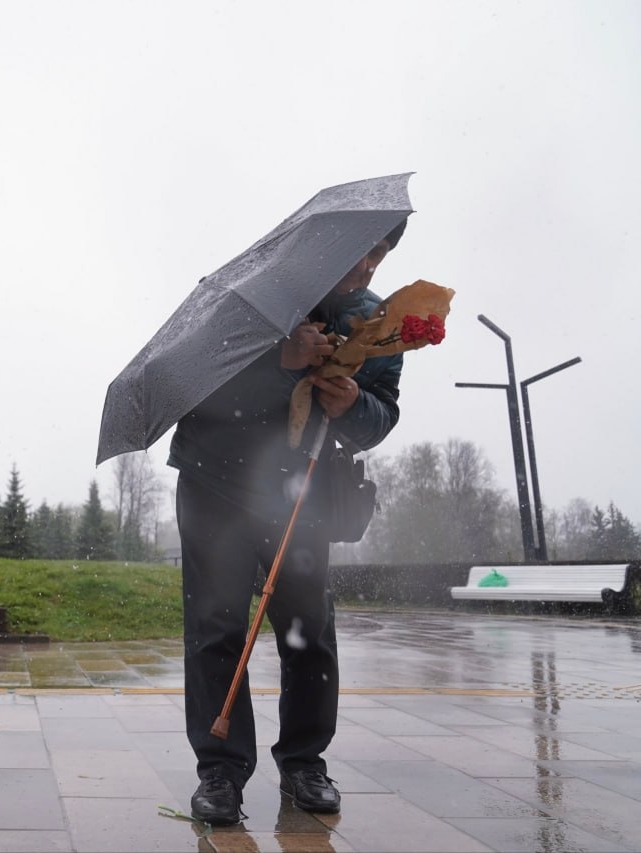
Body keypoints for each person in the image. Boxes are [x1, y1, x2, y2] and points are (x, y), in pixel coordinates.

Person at [167, 220, 407, 825]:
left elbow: (383, 415)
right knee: (216, 628)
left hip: (300, 489)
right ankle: (221, 772)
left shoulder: (377, 321)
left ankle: (304, 763)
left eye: (379, 256)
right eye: (361, 252)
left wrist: (354, 405)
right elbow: (192, 384)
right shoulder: (247, 302)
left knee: (308, 629)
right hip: (214, 481)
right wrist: (282, 362)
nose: (368, 268)